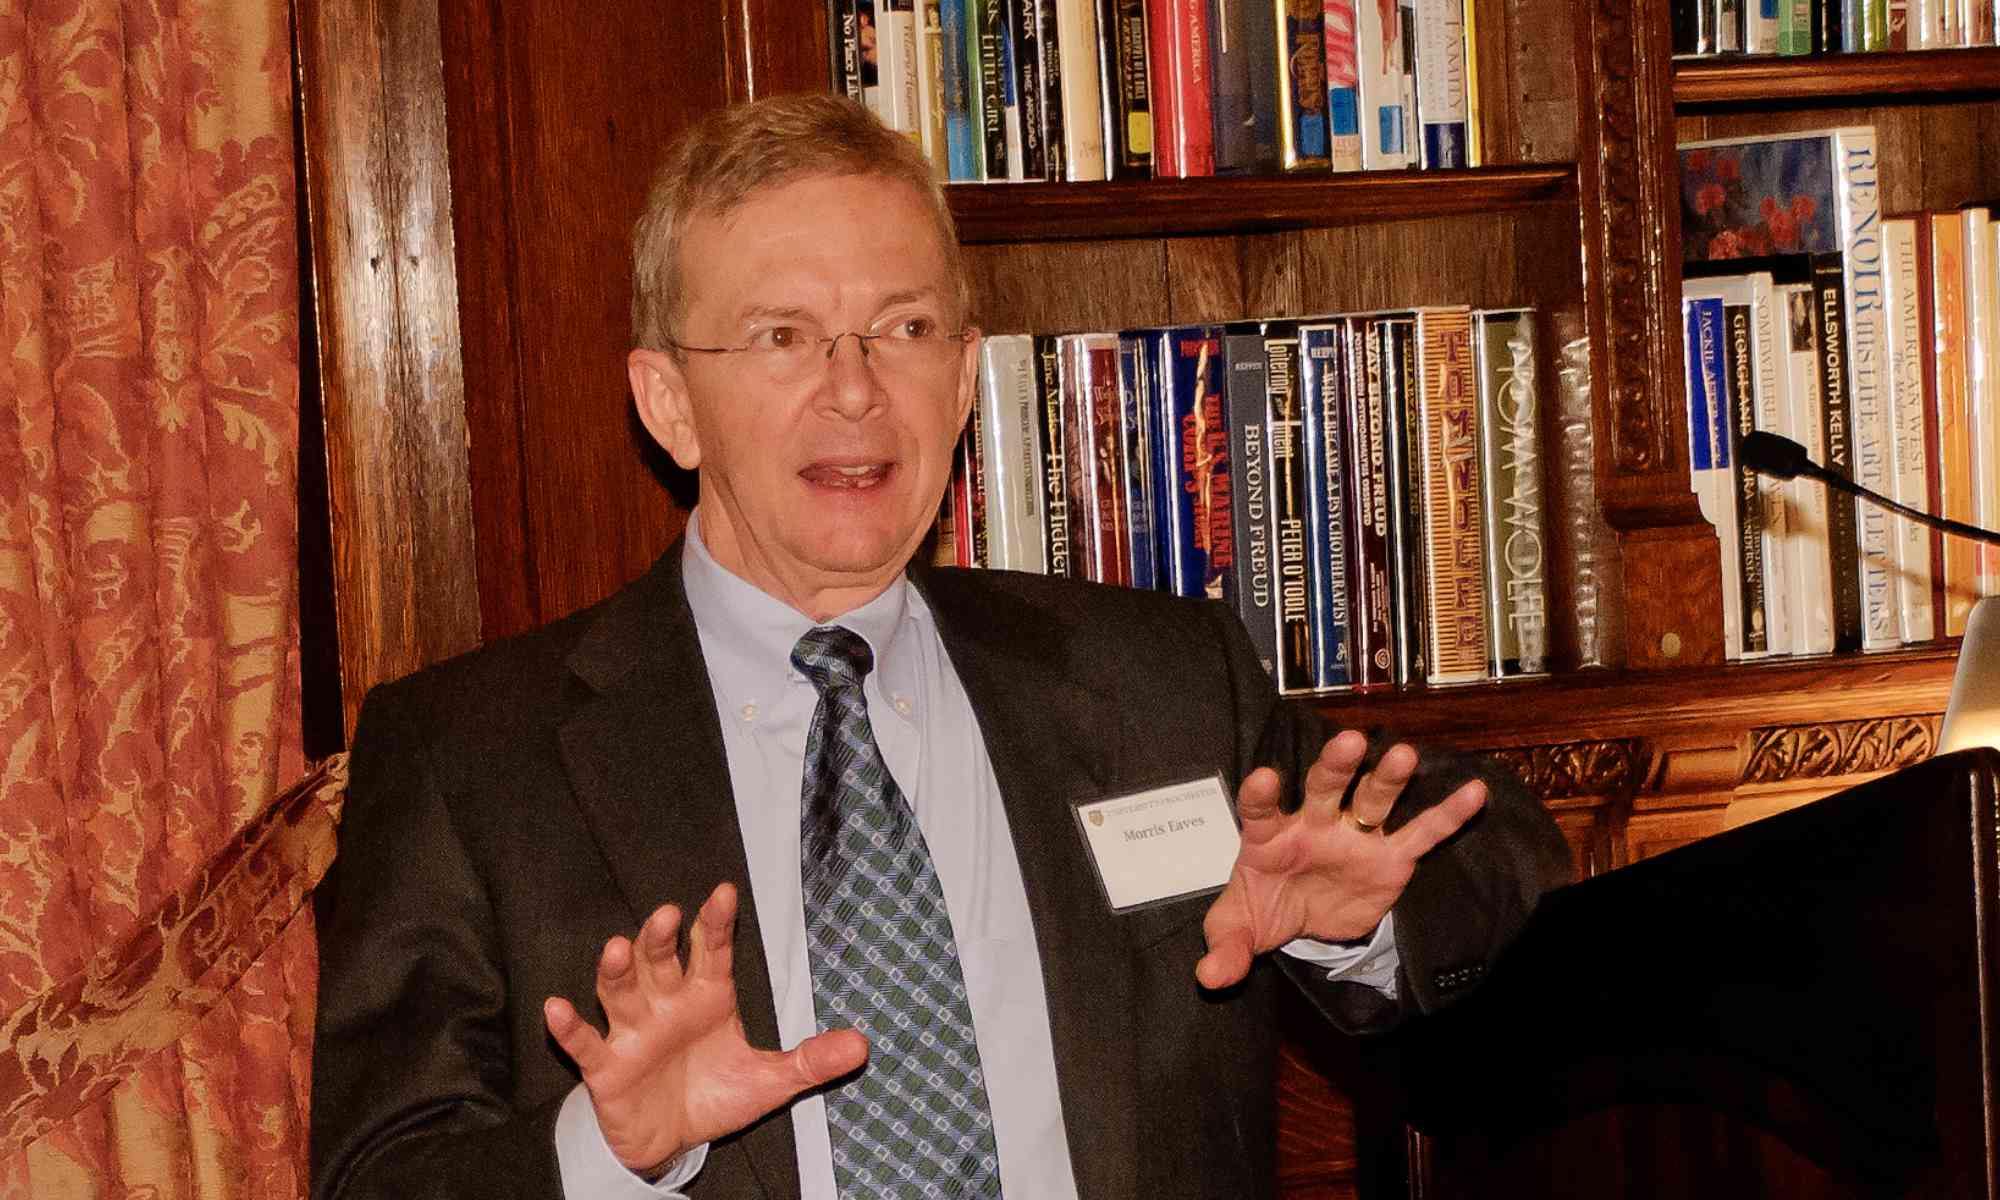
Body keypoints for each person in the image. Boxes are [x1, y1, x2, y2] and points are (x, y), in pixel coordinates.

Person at [308, 94, 1571, 1200]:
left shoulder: (1158, 679)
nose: (854, 388)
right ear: (667, 402)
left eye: (904, 330)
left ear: (964, 378)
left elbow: (1504, 857)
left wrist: (1360, 921)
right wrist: (608, 1151)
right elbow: (381, 1178)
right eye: (781, 336)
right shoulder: (469, 760)